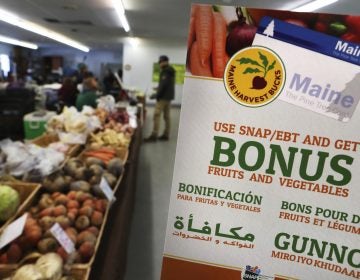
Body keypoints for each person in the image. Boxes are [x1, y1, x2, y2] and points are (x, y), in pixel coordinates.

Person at [144, 55, 176, 142]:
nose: (160, 64)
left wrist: (155, 95)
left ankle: (154, 135)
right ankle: (166, 134)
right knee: (167, 117)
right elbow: (166, 85)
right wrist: (158, 88)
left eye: (161, 62)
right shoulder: (170, 70)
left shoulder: (166, 71)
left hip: (163, 98)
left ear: (165, 62)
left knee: (156, 115)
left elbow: (164, 86)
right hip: (168, 97)